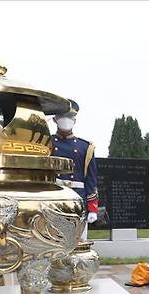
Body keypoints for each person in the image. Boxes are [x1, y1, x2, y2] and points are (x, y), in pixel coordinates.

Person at [51, 99, 99, 236]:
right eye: (61, 117)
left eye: (69, 117)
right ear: (55, 119)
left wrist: (93, 208)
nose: (65, 120)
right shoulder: (46, 143)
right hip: (54, 197)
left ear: (75, 120)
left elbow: (91, 179)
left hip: (78, 198)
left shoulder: (85, 147)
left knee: (78, 240)